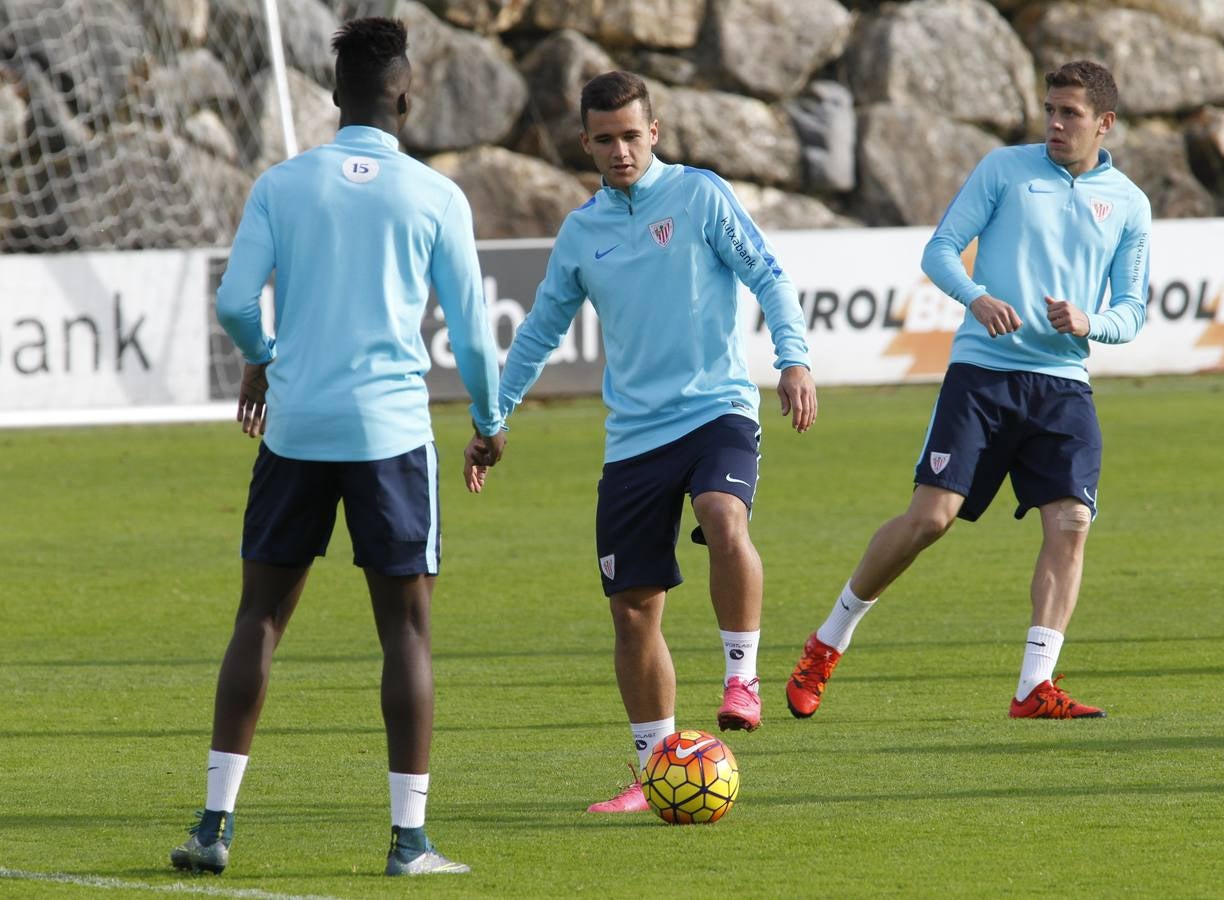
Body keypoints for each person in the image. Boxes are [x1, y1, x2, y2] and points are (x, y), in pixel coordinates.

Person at [169, 17, 505, 878]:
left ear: (332, 96)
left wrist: (263, 362)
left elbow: (238, 302)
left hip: (298, 426)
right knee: (406, 632)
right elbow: (471, 334)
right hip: (389, 433)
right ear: (404, 92)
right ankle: (409, 842)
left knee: (260, 619)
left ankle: (212, 827)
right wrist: (490, 420)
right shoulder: (434, 195)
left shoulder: (283, 184)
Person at [484, 70, 815, 813]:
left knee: (724, 518)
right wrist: (496, 414)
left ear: (654, 133)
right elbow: (539, 330)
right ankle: (652, 773)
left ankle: (742, 676)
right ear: (587, 144)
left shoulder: (699, 196)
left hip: (717, 409)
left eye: (632, 135)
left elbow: (768, 275)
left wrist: (792, 357)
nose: (621, 150)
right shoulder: (581, 232)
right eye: (605, 139)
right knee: (633, 609)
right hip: (634, 435)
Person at [784, 60, 1150, 721]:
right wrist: (977, 298)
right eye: (1050, 110)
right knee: (930, 520)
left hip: (1064, 383)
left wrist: (1091, 322)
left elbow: (1132, 309)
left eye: (1070, 114)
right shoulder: (1004, 170)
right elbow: (940, 251)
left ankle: (1033, 686)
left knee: (1071, 522)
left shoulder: (1128, 203)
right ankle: (826, 643)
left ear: (1105, 124)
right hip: (981, 376)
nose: (1056, 124)